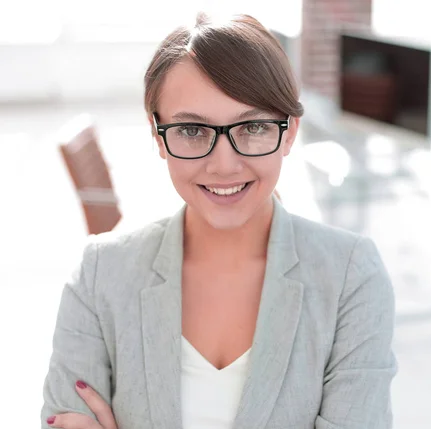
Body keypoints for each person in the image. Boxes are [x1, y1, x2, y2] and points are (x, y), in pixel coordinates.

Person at [41, 11, 397, 429]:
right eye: (192, 131)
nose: (224, 165)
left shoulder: (350, 277)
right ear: (159, 138)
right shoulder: (100, 274)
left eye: (254, 127)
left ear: (289, 133)